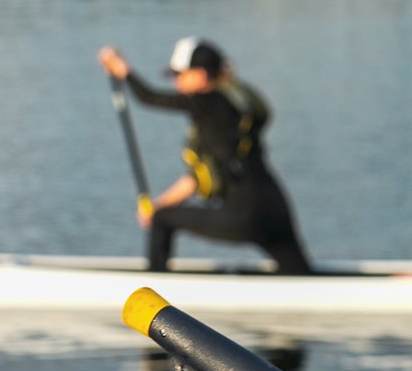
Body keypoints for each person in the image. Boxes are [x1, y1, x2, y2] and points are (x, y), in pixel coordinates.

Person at [98, 36, 315, 275]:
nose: (177, 84)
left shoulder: (206, 104)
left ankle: (154, 293)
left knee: (162, 219)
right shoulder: (235, 103)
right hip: (276, 207)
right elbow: (203, 176)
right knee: (300, 276)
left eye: (179, 76)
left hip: (246, 216)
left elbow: (149, 98)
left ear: (200, 75)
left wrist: (123, 71)